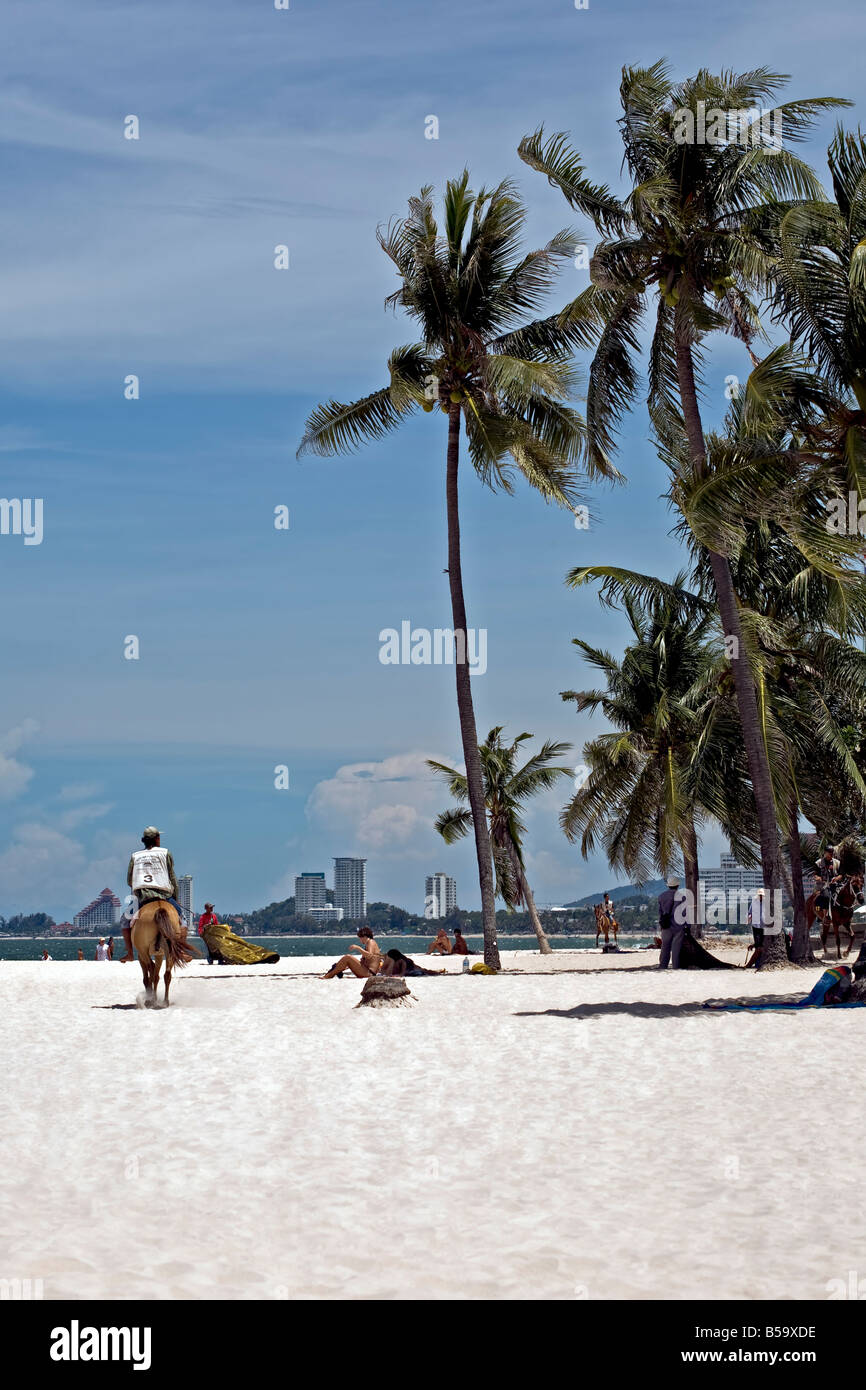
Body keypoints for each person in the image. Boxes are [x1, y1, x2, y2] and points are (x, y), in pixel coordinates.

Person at [658, 875, 687, 969]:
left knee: (665, 947)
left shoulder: (661, 896)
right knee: (676, 949)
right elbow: (684, 913)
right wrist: (688, 926)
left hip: (666, 926)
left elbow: (660, 913)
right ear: (678, 885)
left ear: (668, 885)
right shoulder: (682, 897)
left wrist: (661, 925)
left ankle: (663, 966)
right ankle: (676, 966)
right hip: (678, 926)